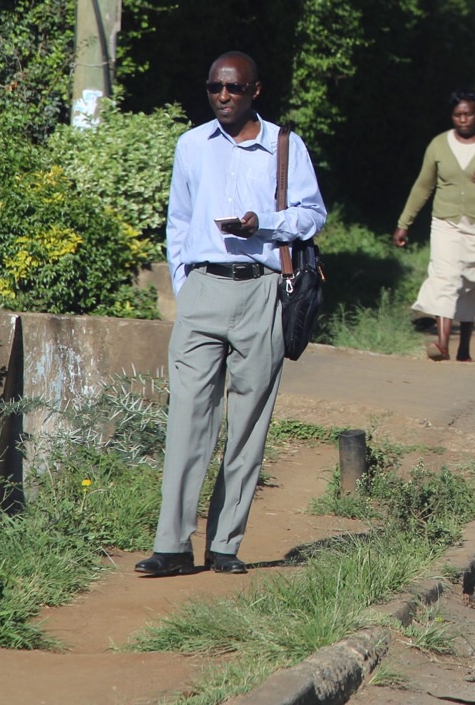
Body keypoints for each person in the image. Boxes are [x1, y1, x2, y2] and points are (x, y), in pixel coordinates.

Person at [137, 51, 326, 579]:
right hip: (202, 292)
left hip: (262, 292)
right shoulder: (191, 145)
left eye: (234, 89)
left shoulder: (284, 146)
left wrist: (260, 224)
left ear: (255, 92)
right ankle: (171, 546)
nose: (224, 96)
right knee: (188, 420)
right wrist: (185, 285)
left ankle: (225, 545)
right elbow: (178, 221)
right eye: (215, 88)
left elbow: (313, 215)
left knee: (247, 424)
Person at [395, 90, 475, 361]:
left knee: (472, 285)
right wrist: (404, 223)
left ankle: (464, 347)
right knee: (445, 278)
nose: (463, 119)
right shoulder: (439, 145)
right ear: (452, 116)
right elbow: (423, 186)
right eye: (458, 114)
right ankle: (442, 344)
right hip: (445, 222)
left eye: (469, 114)